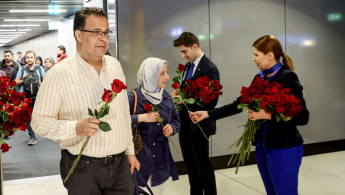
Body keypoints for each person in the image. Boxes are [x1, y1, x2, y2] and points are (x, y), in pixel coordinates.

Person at [31, 7, 139, 195]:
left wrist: (129, 150)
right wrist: (75, 128)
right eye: (96, 32)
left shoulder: (114, 65)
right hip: (83, 168)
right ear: (79, 35)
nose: (103, 38)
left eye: (105, 32)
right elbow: (39, 123)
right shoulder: (58, 74)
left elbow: (123, 114)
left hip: (120, 166)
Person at [190, 35, 309, 195]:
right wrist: (207, 114)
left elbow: (303, 116)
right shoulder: (260, 77)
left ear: (270, 55)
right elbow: (237, 104)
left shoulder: (287, 77)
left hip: (284, 148)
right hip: (263, 147)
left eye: (256, 54)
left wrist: (267, 116)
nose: (253, 59)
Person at [171, 32, 220, 195]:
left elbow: (211, 102)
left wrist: (184, 100)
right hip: (185, 124)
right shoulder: (187, 67)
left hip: (200, 125)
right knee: (191, 167)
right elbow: (186, 91)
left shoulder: (210, 68)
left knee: (203, 168)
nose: (183, 55)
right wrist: (179, 95)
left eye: (185, 51)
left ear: (195, 46)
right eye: (181, 52)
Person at [128, 57, 180, 195]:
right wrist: (142, 117)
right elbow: (120, 123)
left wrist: (172, 128)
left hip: (161, 160)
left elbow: (176, 120)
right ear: (151, 74)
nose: (167, 77)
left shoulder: (166, 96)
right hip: (139, 159)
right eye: (162, 73)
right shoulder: (133, 97)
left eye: (166, 72)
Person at [15, 50, 45, 146]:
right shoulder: (22, 69)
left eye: (31, 57)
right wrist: (22, 79)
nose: (29, 59)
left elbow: (47, 82)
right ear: (25, 59)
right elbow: (16, 82)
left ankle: (38, 131)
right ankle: (32, 137)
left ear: (35, 59)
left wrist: (42, 84)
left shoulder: (40, 68)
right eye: (27, 57)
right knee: (28, 118)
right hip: (26, 97)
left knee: (38, 117)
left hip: (38, 97)